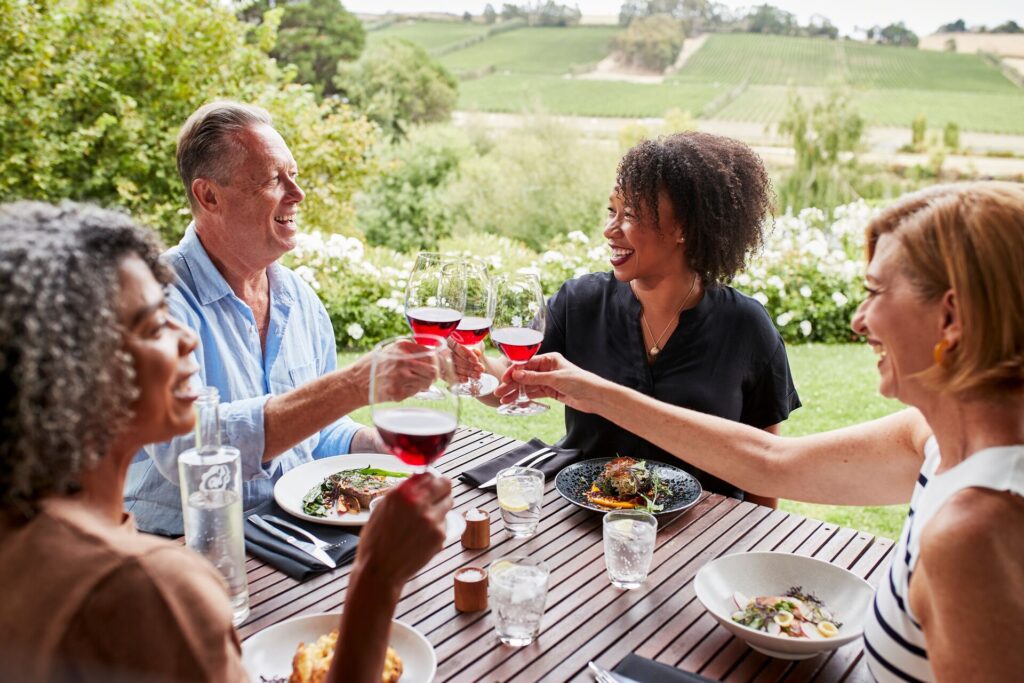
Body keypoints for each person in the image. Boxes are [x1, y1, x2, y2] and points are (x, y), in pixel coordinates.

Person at [498, 182, 1024, 682]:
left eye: (875, 291)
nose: (859, 321)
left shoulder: (975, 531)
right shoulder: (935, 438)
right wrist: (591, 391)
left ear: (950, 317)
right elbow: (770, 461)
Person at [0, 201, 451, 682]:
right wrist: (376, 577)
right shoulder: (147, 589)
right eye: (155, 326)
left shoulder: (30, 536)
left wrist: (369, 443)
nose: (188, 339)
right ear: (74, 372)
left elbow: (315, 436)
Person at [463, 132, 799, 506]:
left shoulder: (746, 328)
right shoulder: (580, 302)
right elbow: (509, 387)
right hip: (584, 520)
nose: (610, 229)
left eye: (631, 215)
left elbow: (764, 475)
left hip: (704, 529)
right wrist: (469, 366)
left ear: (685, 228)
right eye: (612, 211)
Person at [126, 101, 395, 535]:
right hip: (183, 545)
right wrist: (353, 384)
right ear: (208, 195)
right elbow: (187, 448)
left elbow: (317, 430)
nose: (297, 193)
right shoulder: (153, 300)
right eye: (273, 179)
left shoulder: (299, 298)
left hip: (291, 538)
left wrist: (375, 445)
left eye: (294, 174)